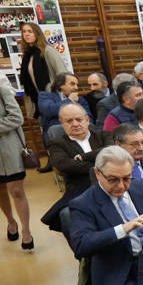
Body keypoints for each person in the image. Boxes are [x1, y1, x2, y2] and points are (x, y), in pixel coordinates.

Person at [68, 146, 143, 285]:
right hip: (122, 271)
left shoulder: (140, 186)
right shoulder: (83, 204)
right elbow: (81, 245)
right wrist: (123, 229)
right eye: (113, 179)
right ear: (97, 173)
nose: (121, 186)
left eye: (127, 178)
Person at [0, 78, 33, 249]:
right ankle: (11, 222)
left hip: (9, 148)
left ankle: (26, 231)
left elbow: (16, 118)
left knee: (17, 191)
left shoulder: (2, 88)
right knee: (1, 191)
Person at [17, 22, 65, 116]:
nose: (26, 34)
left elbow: (62, 73)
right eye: (24, 31)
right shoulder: (27, 55)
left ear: (37, 34)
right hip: (38, 100)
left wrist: (58, 92)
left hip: (52, 97)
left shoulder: (47, 50)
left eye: (30, 31)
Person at [38, 72, 90, 136]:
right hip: (58, 136)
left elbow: (88, 118)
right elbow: (48, 110)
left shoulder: (80, 100)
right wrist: (70, 100)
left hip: (80, 133)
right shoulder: (45, 96)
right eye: (72, 84)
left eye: (77, 85)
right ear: (60, 85)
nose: (76, 88)